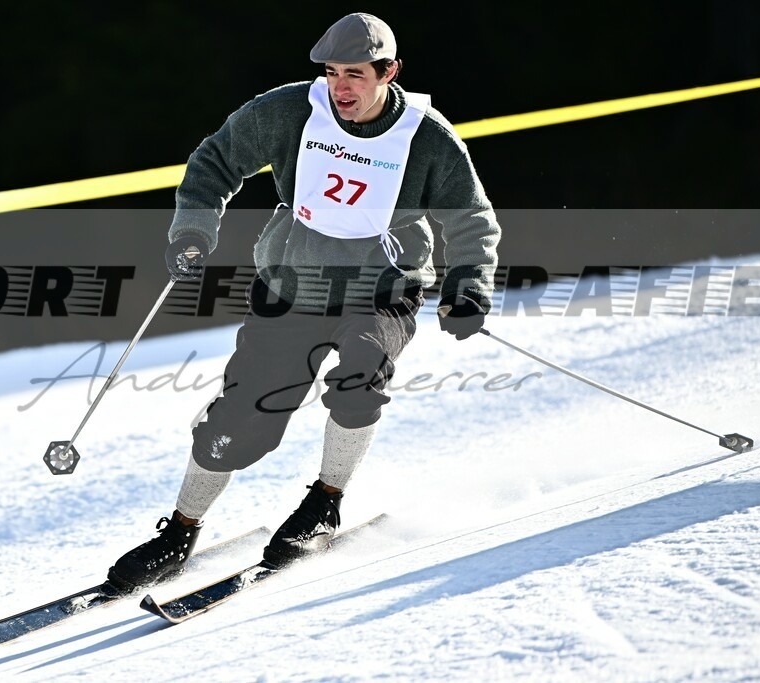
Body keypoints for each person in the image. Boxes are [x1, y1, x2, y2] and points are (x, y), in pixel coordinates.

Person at [105, 12, 501, 588]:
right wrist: (193, 231)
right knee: (242, 419)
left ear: (389, 73)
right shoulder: (291, 110)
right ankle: (180, 531)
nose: (341, 87)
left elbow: (470, 219)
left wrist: (469, 286)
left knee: (361, 372)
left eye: (356, 75)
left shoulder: (427, 137)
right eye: (332, 72)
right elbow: (214, 161)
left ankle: (324, 502)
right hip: (291, 286)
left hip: (380, 289)